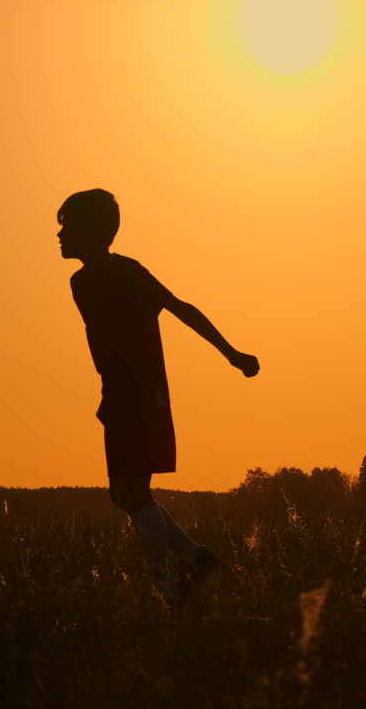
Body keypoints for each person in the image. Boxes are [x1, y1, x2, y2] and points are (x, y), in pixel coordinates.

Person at [57, 188, 258, 607]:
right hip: (124, 394)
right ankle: (195, 564)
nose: (59, 234)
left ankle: (171, 589)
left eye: (67, 225)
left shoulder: (123, 273)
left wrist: (232, 354)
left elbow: (181, 308)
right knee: (128, 494)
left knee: (130, 493)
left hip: (139, 395)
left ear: (93, 231)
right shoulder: (84, 280)